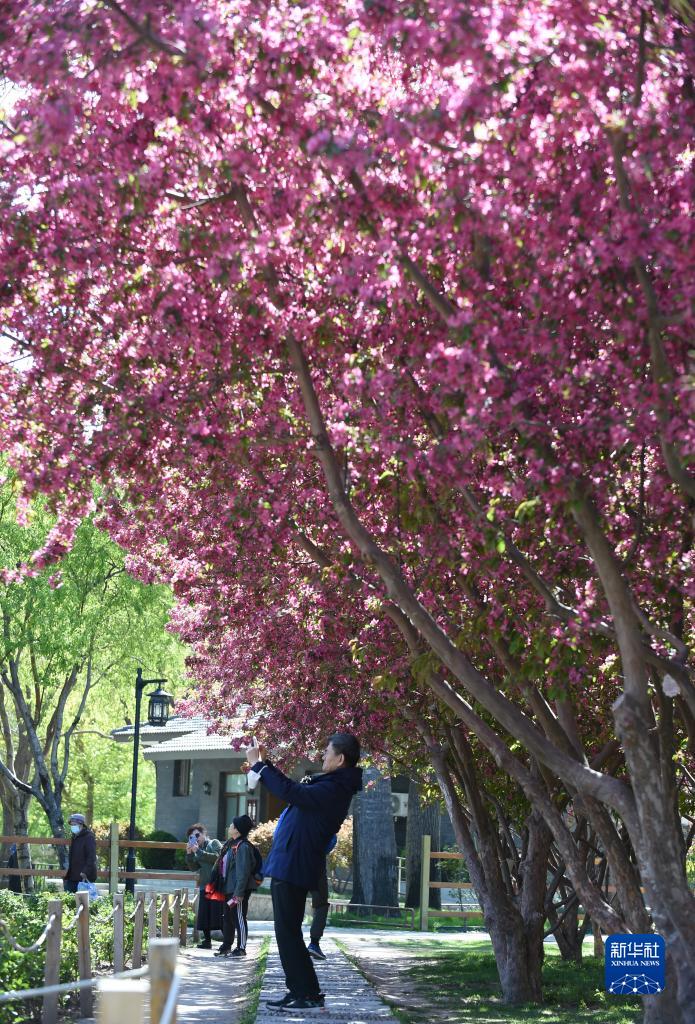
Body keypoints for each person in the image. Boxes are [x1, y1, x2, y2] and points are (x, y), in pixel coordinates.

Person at [245, 732, 362, 1011]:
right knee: (289, 932)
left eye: (327, 751)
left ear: (340, 759)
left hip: (294, 865)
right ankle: (302, 990)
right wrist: (265, 764)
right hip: (291, 863)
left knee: (287, 932)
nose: (323, 755)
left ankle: (306, 993)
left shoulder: (335, 788)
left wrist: (259, 767)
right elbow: (293, 789)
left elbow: (292, 792)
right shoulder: (333, 784)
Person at [215, 814, 259, 958]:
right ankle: (226, 946)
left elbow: (243, 872)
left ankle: (241, 948)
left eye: (232, 825)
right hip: (229, 888)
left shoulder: (243, 847)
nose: (230, 826)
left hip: (238, 889)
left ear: (237, 830)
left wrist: (239, 893)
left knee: (239, 917)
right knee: (228, 917)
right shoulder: (231, 844)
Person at [185, 822, 222, 950]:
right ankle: (207, 941)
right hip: (204, 885)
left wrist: (198, 851)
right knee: (204, 915)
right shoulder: (196, 850)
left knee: (219, 914)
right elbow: (193, 868)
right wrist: (189, 854)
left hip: (217, 884)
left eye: (197, 835)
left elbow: (218, 858)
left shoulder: (214, 843)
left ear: (204, 833)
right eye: (192, 837)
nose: (196, 838)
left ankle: (227, 942)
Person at [63, 813, 97, 893]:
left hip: (84, 876)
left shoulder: (89, 837)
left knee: (83, 899)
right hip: (73, 876)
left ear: (81, 824)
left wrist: (85, 871)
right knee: (69, 897)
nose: (72, 827)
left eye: (74, 824)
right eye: (71, 825)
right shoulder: (74, 837)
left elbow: (91, 856)